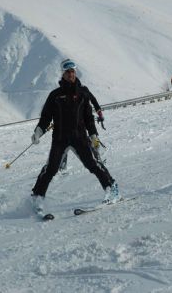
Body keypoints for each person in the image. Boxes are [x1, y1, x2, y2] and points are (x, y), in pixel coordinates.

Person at [30, 59, 121, 213]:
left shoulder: (83, 93)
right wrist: (39, 131)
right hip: (60, 139)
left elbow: (88, 118)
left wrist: (93, 135)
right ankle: (37, 197)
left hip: (80, 137)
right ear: (63, 74)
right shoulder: (55, 95)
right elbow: (46, 117)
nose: (71, 74)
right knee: (51, 169)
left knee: (93, 164)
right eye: (68, 72)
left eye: (73, 71)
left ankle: (111, 189)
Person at [58, 86, 105, 173]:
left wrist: (100, 114)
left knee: (92, 138)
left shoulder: (84, 90)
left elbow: (93, 100)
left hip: (87, 118)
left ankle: (98, 158)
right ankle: (62, 165)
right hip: (75, 120)